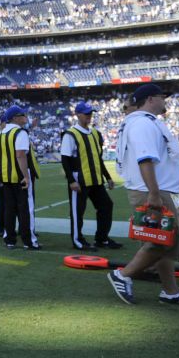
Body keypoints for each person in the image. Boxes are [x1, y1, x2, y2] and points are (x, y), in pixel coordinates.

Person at [106, 84, 179, 306]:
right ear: (150, 99)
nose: (165, 101)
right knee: (164, 243)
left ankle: (170, 291)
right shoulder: (142, 123)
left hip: (154, 188)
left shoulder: (140, 122)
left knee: (161, 242)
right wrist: (154, 193)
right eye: (162, 97)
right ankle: (122, 275)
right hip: (153, 190)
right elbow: (145, 159)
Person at [60, 102, 123, 251]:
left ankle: (101, 238)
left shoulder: (95, 133)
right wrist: (71, 181)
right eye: (86, 113)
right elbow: (65, 159)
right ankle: (78, 240)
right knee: (78, 212)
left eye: (91, 113)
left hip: (95, 179)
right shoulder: (71, 134)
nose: (89, 116)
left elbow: (98, 158)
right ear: (78, 115)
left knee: (106, 205)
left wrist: (107, 177)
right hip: (80, 180)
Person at [0, 106, 41, 250]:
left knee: (9, 209)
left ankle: (9, 239)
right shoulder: (20, 133)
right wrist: (26, 177)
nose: (25, 117)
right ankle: (28, 241)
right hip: (19, 177)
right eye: (23, 115)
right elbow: (20, 155)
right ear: (15, 118)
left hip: (5, 177)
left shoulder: (1, 134)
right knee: (25, 209)